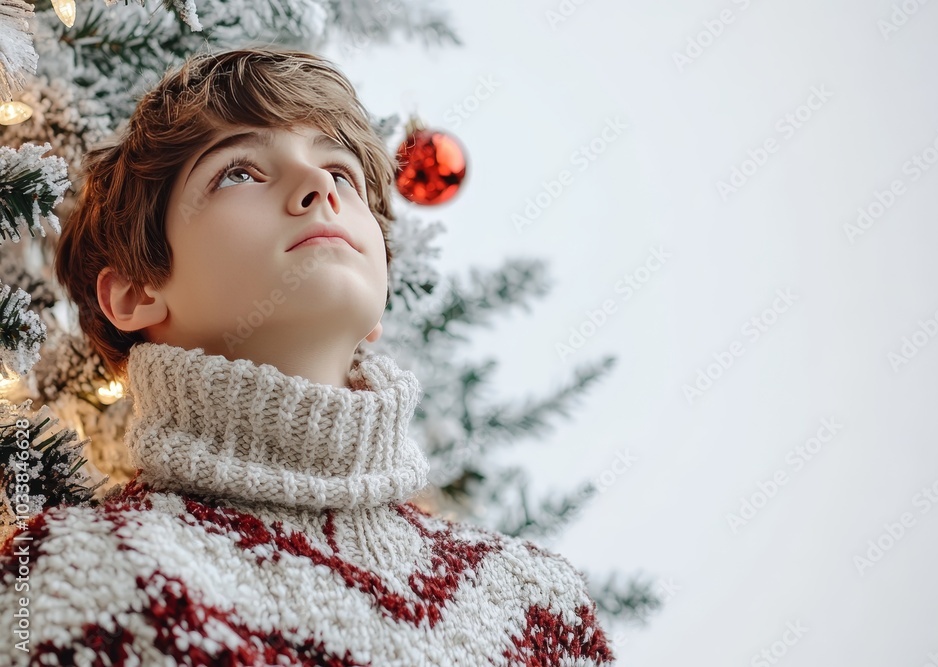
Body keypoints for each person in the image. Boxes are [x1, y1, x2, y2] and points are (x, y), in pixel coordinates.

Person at [0, 46, 616, 665]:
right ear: (136, 292)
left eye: (342, 172)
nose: (319, 184)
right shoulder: (75, 576)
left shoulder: (540, 603)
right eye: (238, 171)